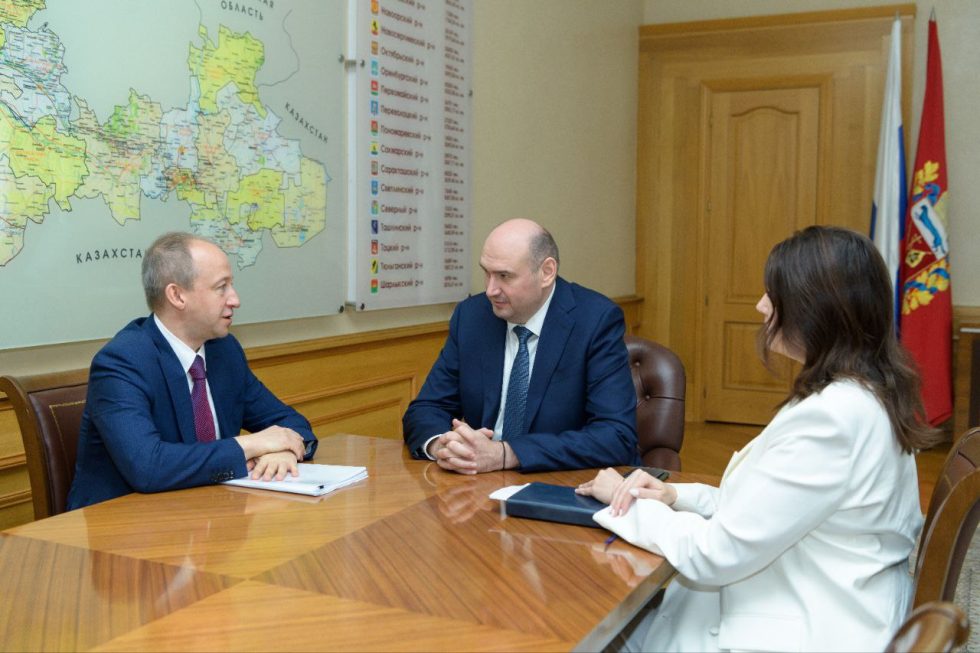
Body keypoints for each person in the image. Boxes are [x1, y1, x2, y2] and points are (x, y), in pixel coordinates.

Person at [577, 226, 941, 652]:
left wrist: (624, 503)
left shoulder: (832, 419)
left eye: (773, 294)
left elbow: (714, 554)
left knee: (587, 634)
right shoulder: (862, 392)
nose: (761, 306)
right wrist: (675, 496)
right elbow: (767, 506)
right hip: (822, 599)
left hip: (803, 629)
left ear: (814, 309)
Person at [67, 232, 317, 509]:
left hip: (206, 512)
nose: (235, 299)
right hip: (121, 522)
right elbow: (148, 467)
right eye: (221, 287)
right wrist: (253, 445)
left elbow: (291, 423)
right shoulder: (122, 362)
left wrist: (283, 451)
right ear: (177, 295)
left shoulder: (224, 351)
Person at [403, 218, 639, 473]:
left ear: (546, 272)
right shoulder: (472, 316)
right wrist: (443, 445)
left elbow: (616, 435)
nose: (491, 290)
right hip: (479, 481)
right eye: (486, 273)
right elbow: (427, 408)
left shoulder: (595, 320)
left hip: (563, 481)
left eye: (504, 276)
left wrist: (507, 454)